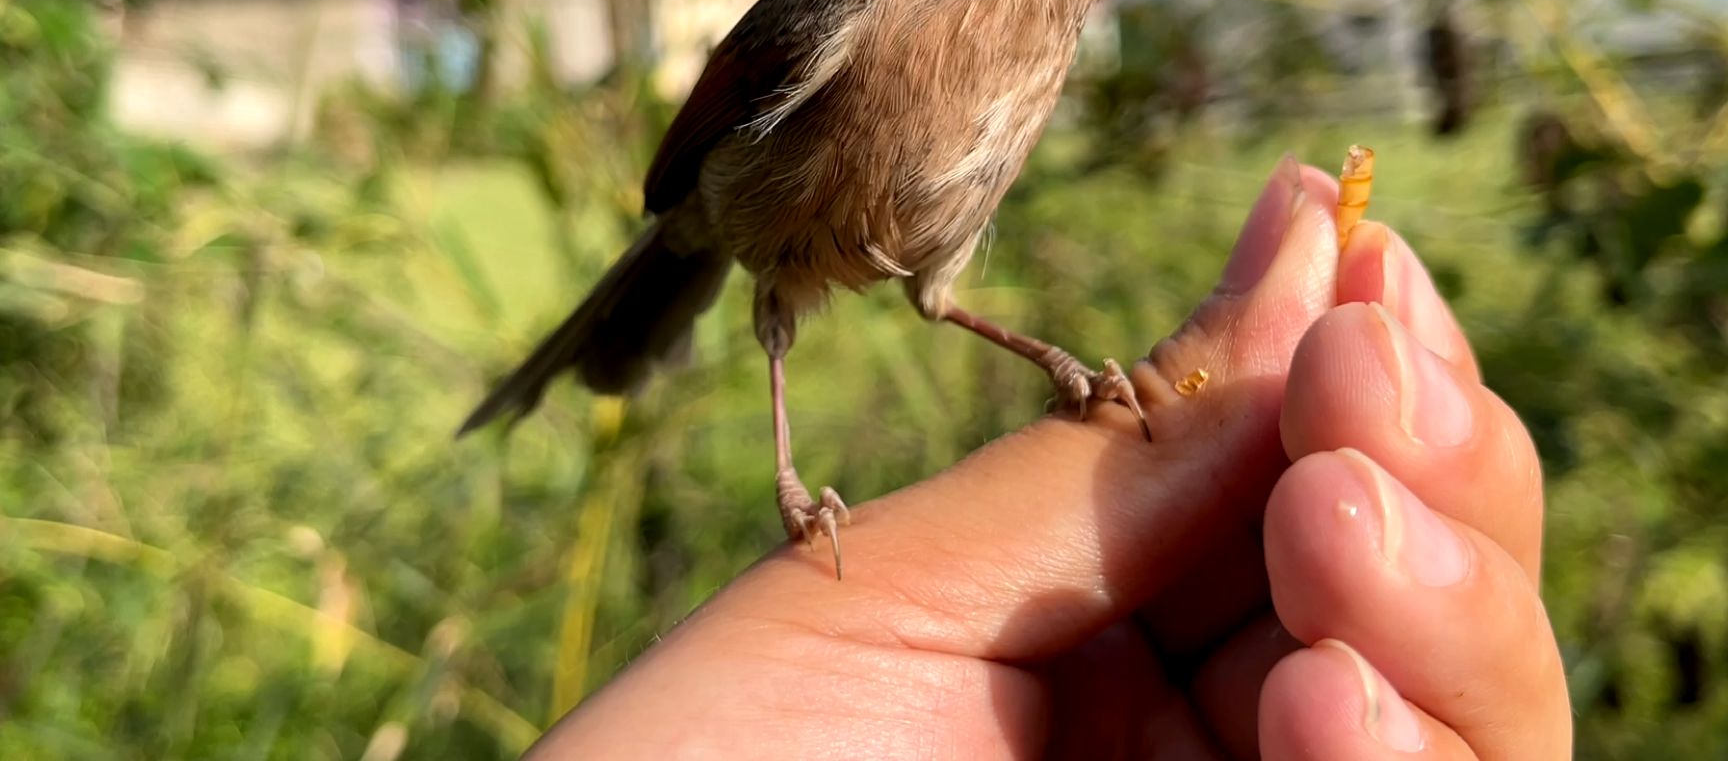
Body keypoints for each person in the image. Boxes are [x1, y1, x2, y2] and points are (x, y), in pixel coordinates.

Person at [527, 158, 1571, 758]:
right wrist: (792, 486)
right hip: (738, 214)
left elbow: (933, 294)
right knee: (779, 315)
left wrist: (1064, 367)